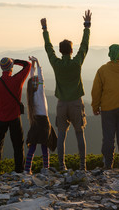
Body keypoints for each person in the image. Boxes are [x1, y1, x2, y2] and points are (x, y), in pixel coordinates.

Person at [40, 9, 92, 171]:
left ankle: (62, 166)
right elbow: (84, 46)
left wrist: (45, 29)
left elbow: (48, 48)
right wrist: (87, 26)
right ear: (71, 51)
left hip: (61, 103)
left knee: (61, 135)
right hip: (76, 102)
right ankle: (82, 166)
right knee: (79, 133)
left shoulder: (56, 64)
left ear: (60, 51)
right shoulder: (77, 63)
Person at [24, 56, 57, 174]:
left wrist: (32, 65)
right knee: (44, 146)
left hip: (35, 122)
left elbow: (32, 79)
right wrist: (38, 64)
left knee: (32, 146)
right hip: (44, 122)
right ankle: (46, 168)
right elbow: (40, 78)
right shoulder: (40, 92)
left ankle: (27, 169)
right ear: (38, 84)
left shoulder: (31, 94)